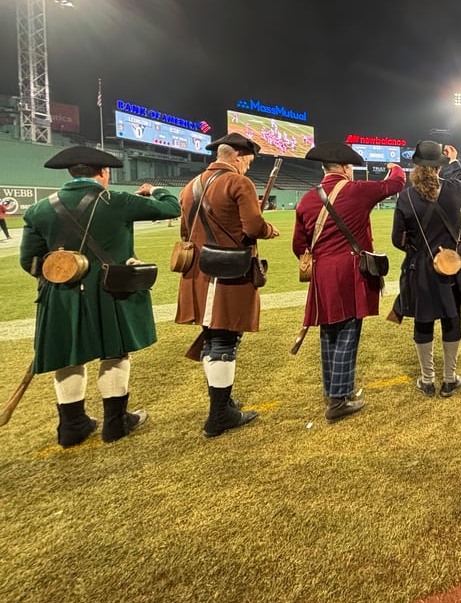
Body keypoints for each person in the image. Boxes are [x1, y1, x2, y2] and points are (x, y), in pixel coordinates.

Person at [19, 146, 180, 447]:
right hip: (110, 291)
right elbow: (171, 208)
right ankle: (115, 423)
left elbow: (30, 262)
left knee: (68, 356)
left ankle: (72, 427)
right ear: (103, 172)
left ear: (71, 173)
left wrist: (64, 273)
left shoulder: (38, 209)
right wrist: (156, 190)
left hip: (60, 295)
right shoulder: (117, 200)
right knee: (114, 352)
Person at [176, 133, 279, 437]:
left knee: (212, 336)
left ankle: (222, 404)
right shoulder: (238, 182)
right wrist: (268, 229)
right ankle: (219, 414)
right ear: (237, 156)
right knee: (224, 339)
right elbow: (253, 226)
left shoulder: (190, 186)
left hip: (199, 271)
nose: (248, 166)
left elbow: (185, 229)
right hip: (227, 272)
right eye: (248, 160)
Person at [293, 142, 405, 420]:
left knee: (328, 331)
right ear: (345, 168)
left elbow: (299, 246)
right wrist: (395, 168)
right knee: (347, 332)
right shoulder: (355, 190)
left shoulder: (307, 199)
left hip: (322, 274)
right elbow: (394, 184)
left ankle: (332, 390)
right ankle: (339, 400)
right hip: (349, 272)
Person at [391, 141, 461, 397]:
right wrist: (455, 161)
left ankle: (427, 380)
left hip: (421, 269)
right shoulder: (453, 190)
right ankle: (449, 379)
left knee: (424, 321)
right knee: (452, 319)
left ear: (416, 168)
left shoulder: (406, 197)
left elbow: (397, 239)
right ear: (440, 167)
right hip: (452, 266)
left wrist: (416, 249)